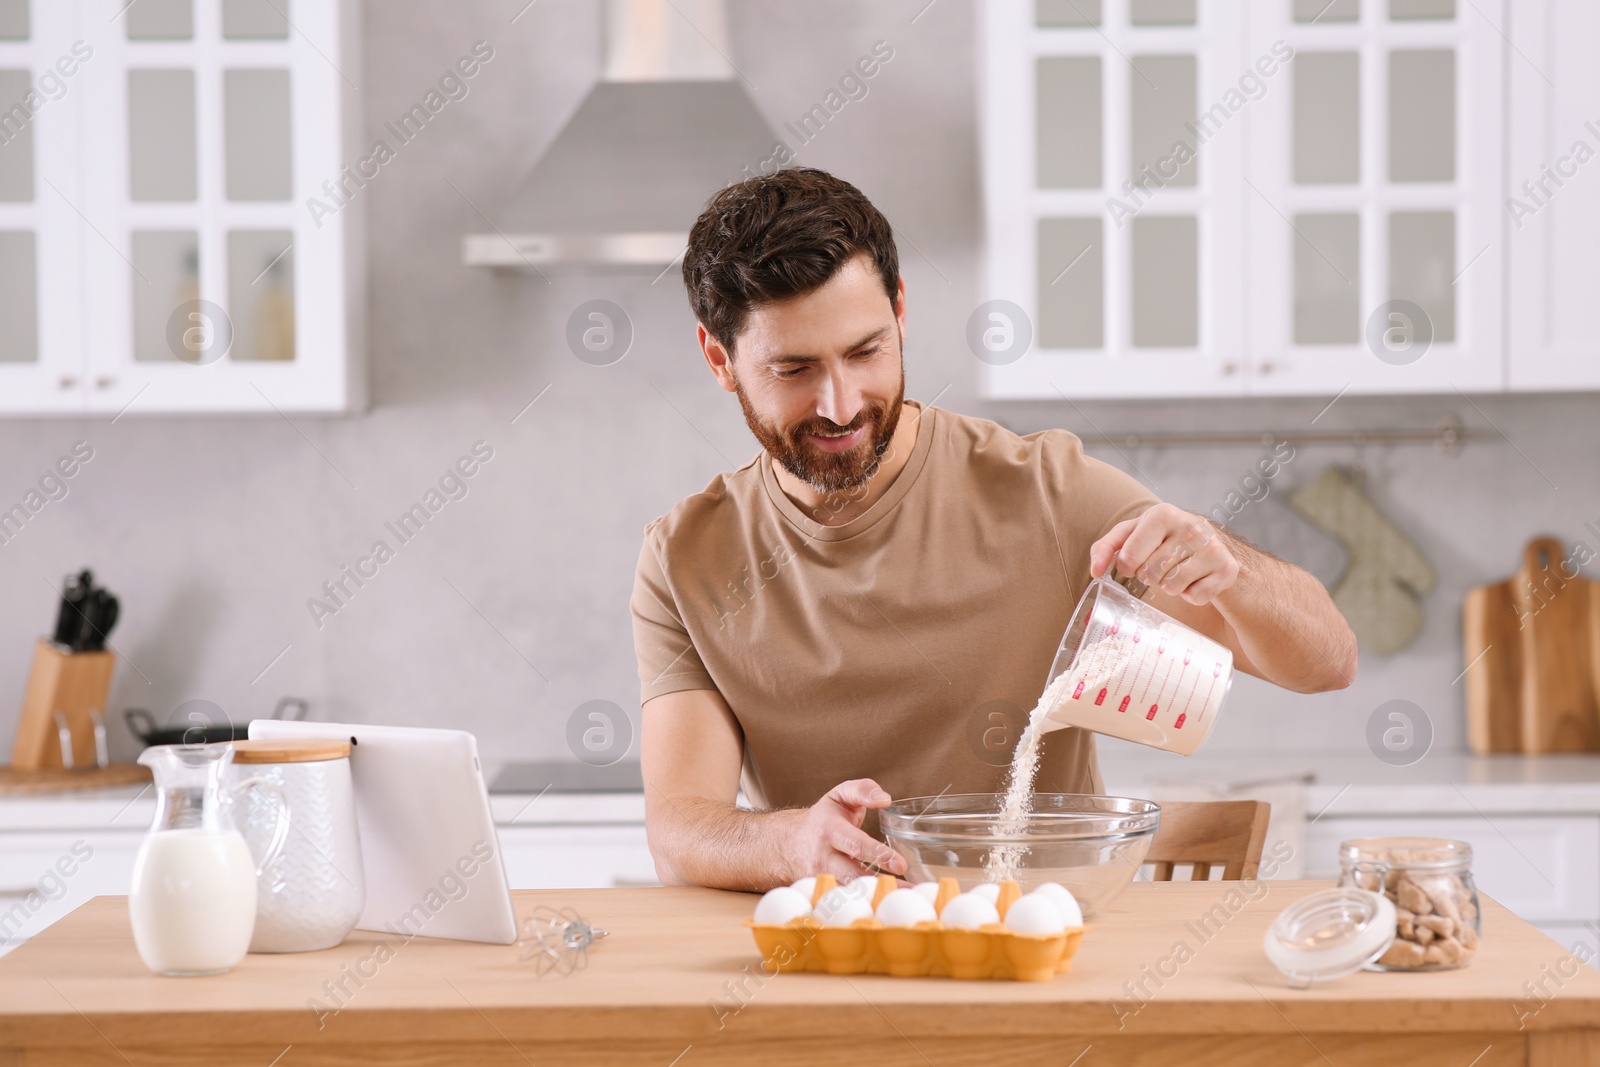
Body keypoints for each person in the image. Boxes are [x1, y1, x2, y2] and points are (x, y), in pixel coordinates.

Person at [630, 167, 1357, 892]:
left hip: (1033, 958)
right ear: (720, 359)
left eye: (865, 351)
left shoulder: (1047, 494)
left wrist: (1230, 564)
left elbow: (1328, 662)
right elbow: (680, 831)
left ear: (901, 311)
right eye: (793, 368)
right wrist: (792, 842)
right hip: (828, 961)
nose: (842, 403)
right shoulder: (689, 557)